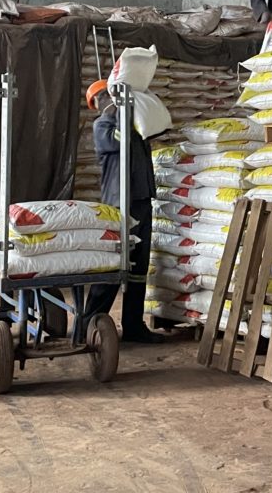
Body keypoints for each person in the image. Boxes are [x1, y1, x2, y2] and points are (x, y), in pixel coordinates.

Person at [84, 79, 164, 344]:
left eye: (108, 97)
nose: (106, 103)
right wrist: (123, 110)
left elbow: (152, 128)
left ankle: (133, 326)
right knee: (113, 265)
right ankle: (89, 326)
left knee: (138, 268)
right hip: (119, 203)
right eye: (101, 100)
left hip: (141, 200)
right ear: (97, 104)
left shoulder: (135, 126)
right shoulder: (103, 126)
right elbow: (121, 141)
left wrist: (140, 106)